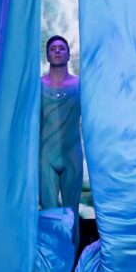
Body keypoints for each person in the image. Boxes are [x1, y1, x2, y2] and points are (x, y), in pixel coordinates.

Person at [39, 36, 82, 234]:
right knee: (49, 216)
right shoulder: (37, 86)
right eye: (53, 48)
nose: (57, 51)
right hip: (45, 158)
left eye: (61, 48)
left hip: (71, 156)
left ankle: (72, 265)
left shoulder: (80, 86)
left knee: (72, 215)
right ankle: (53, 265)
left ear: (68, 54)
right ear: (47, 55)